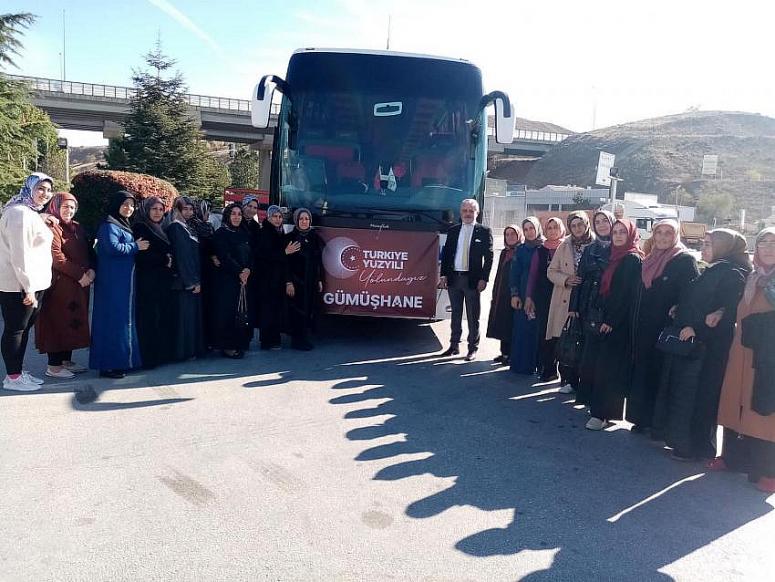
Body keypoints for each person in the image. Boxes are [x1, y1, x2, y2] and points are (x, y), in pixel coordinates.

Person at [654, 229, 752, 460]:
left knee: (699, 398)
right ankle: (680, 442)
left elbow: (726, 312)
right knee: (684, 395)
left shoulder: (731, 274)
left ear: (723, 247)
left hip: (707, 348)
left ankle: (696, 448)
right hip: (692, 344)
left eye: (709, 244)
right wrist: (680, 309)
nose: (704, 248)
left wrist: (697, 328)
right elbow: (699, 299)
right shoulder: (715, 269)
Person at [711, 227, 775, 493]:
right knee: (736, 400)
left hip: (767, 353)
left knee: (762, 407)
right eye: (763, 243)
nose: (769, 248)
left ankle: (767, 471)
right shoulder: (752, 276)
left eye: (774, 243)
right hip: (742, 349)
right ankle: (733, 458)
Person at [626, 219, 699, 432]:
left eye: (669, 233)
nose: (663, 237)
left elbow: (691, 295)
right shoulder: (649, 259)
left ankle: (657, 425)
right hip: (644, 328)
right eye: (659, 232)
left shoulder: (684, 260)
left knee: (660, 376)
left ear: (676, 236)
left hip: (666, 331)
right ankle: (641, 419)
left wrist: (679, 308)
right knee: (644, 372)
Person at [584, 219, 644, 430]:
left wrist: (611, 320)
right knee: (602, 367)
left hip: (617, 324)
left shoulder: (632, 259)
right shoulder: (613, 256)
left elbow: (626, 295)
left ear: (630, 235)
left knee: (609, 370)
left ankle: (602, 414)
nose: (618, 236)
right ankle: (601, 410)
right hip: (605, 320)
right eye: (616, 232)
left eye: (622, 232)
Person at [0, 173, 55, 391]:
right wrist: (28, 288)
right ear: (29, 188)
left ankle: (18, 372)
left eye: (48, 190)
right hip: (20, 285)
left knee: (22, 329)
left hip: (33, 282)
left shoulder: (29, 212)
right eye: (40, 188)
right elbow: (19, 254)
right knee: (15, 329)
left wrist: (42, 220)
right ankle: (13, 377)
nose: (45, 194)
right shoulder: (19, 213)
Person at [89, 191, 149, 378]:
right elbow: (112, 248)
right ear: (117, 205)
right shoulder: (108, 225)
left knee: (123, 321)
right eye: (125, 204)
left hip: (123, 282)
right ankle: (108, 365)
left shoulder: (121, 224)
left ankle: (123, 361)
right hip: (112, 282)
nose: (129, 208)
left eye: (131, 205)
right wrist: (135, 247)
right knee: (112, 321)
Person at [35, 192, 94, 379]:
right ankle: (54, 366)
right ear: (56, 206)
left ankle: (66, 361)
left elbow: (89, 250)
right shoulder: (52, 227)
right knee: (57, 322)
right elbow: (56, 257)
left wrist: (92, 269)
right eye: (65, 206)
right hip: (59, 285)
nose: (70, 210)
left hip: (79, 284)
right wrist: (79, 275)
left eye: (72, 207)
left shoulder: (76, 227)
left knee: (73, 321)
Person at [438, 199, 494, 361]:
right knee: (455, 313)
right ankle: (454, 346)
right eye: (465, 211)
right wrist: (444, 275)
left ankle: (472, 348)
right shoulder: (453, 230)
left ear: (477, 213)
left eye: (471, 211)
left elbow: (489, 257)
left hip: (472, 280)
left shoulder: (484, 231)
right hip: (454, 278)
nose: (468, 214)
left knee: (472, 315)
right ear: (460, 212)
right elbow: (447, 254)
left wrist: (484, 279)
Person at [569, 210, 615, 406]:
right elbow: (579, 279)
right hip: (588, 305)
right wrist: (574, 307)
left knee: (603, 358)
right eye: (598, 221)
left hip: (607, 308)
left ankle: (599, 400)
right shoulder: (590, 249)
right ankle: (585, 395)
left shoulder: (620, 247)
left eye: (606, 221)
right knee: (587, 354)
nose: (602, 225)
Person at [546, 211, 594, 393]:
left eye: (580, 224)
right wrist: (566, 279)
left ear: (587, 224)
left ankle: (583, 382)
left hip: (588, 298)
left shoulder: (596, 245)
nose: (577, 229)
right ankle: (567, 379)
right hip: (565, 298)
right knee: (567, 338)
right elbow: (551, 271)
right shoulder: (565, 245)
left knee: (585, 340)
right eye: (573, 226)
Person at [132, 196, 175, 368]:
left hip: (161, 280)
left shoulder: (161, 227)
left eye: (160, 209)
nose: (157, 212)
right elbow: (143, 256)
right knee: (148, 319)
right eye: (154, 209)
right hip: (148, 281)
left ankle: (159, 354)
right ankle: (148, 358)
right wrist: (165, 259)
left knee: (160, 317)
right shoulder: (140, 227)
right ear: (146, 210)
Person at [525, 217, 566, 381]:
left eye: (556, 227)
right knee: (545, 333)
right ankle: (548, 368)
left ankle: (565, 373)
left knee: (562, 334)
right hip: (543, 297)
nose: (553, 231)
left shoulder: (567, 247)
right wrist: (529, 297)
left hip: (562, 295)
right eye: (549, 228)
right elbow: (533, 275)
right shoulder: (540, 250)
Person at [211, 203, 253, 358]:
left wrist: (248, 270)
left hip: (244, 279)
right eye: (233, 214)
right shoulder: (221, 233)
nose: (236, 217)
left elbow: (251, 254)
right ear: (227, 216)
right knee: (227, 313)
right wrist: (240, 272)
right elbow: (224, 256)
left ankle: (239, 343)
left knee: (240, 312)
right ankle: (227, 346)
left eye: (239, 214)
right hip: (227, 280)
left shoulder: (244, 232)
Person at [166, 196, 205, 361]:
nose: (189, 212)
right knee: (184, 319)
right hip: (184, 283)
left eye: (191, 209)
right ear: (177, 210)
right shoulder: (176, 227)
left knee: (190, 318)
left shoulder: (186, 226)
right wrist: (192, 282)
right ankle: (183, 352)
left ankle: (190, 351)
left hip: (190, 279)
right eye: (185, 209)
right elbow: (183, 258)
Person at [257, 205, 299, 350]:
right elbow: (264, 255)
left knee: (275, 309)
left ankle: (274, 339)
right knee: (268, 310)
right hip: (267, 279)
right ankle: (267, 341)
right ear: (268, 217)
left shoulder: (278, 232)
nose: (277, 219)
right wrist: (284, 252)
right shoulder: (264, 233)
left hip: (277, 279)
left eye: (280, 217)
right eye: (274, 216)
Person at [285, 208, 325, 350]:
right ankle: (297, 340)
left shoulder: (314, 237)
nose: (304, 221)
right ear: (296, 220)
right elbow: (286, 262)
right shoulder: (290, 237)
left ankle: (305, 338)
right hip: (297, 281)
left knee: (309, 309)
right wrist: (288, 281)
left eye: (306, 219)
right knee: (297, 310)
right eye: (301, 219)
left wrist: (320, 279)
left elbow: (319, 260)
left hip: (311, 280)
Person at [510, 217, 544, 374]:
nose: (529, 232)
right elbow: (514, 273)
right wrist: (514, 294)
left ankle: (538, 365)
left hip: (540, 293)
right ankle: (521, 365)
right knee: (522, 329)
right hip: (523, 294)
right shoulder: (521, 249)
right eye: (526, 229)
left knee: (538, 330)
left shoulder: (545, 247)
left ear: (537, 228)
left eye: (532, 228)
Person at [486, 225, 522, 365]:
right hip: (501, 292)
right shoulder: (504, 252)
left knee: (511, 324)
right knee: (502, 322)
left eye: (513, 234)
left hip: (513, 293)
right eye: (507, 234)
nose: (510, 237)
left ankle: (512, 354)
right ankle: (504, 352)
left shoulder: (521, 251)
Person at [190, 199, 218, 350]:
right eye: (207, 211)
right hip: (201, 270)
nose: (208, 215)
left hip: (209, 272)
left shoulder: (206, 226)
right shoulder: (195, 227)